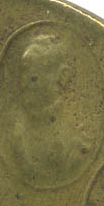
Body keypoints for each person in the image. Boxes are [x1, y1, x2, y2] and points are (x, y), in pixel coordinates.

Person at [10, 33, 91, 187]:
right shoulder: (16, 134)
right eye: (22, 75)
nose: (23, 84)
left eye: (33, 77)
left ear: (61, 76)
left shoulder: (77, 141)